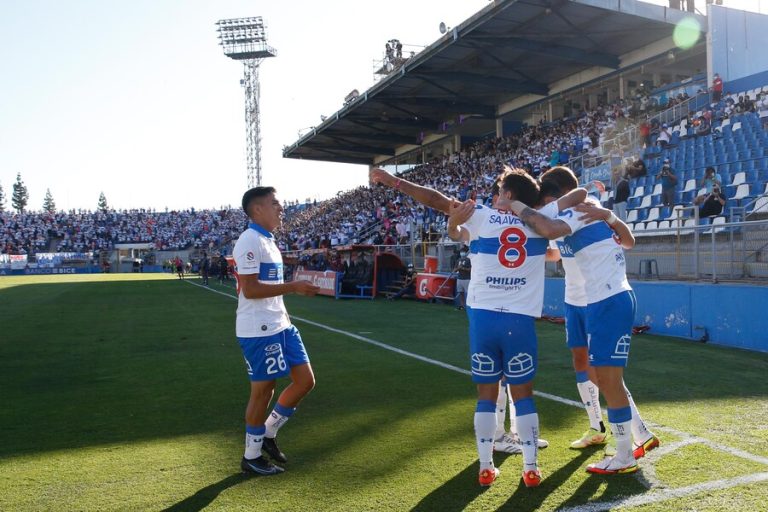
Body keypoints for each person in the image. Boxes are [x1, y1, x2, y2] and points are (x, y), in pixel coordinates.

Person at [370, 166, 586, 488]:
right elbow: (577, 195)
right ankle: (530, 468)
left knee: (486, 396)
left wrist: (392, 181)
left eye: (500, 192)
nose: (496, 197)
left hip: (483, 318)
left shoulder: (482, 216)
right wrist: (525, 208)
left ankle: (486, 466)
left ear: (508, 195)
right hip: (520, 319)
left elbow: (435, 199)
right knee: (523, 396)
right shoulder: (539, 219)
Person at [508, 167, 660, 475]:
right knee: (602, 377)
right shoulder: (583, 211)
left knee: (608, 380)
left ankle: (623, 455)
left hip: (606, 300)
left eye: (547, 203)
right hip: (604, 299)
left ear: (555, 198)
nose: (545, 209)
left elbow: (549, 227)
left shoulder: (578, 209)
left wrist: (516, 206)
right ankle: (627, 445)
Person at [234, 186, 320, 476]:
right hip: (258, 328)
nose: (280, 208)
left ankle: (268, 432)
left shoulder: (268, 240)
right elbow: (251, 288)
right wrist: (294, 287)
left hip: (281, 324)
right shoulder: (249, 240)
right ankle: (251, 456)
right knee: (263, 391)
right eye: (274, 203)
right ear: (257, 209)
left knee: (305, 381)